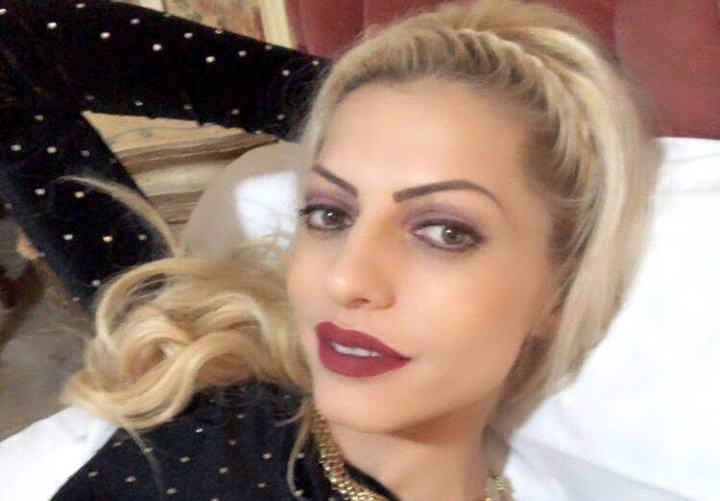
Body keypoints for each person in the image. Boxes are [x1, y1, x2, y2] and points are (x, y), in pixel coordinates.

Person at [1, 0, 661, 500]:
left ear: (560, 287)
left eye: (445, 231)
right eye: (329, 214)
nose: (347, 278)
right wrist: (358, 100)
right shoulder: (198, 382)